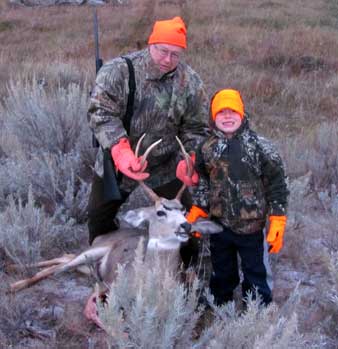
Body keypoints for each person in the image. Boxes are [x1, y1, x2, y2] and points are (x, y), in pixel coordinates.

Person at [87, 16, 209, 265]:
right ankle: (104, 283)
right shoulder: (119, 71)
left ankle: (186, 280)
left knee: (188, 230)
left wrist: (190, 160)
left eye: (175, 54)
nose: (168, 59)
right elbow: (100, 111)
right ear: (151, 44)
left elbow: (197, 127)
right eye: (163, 51)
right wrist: (120, 150)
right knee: (99, 223)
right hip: (120, 164)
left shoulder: (190, 82)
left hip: (166, 166)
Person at [186, 89, 289, 306]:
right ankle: (219, 307)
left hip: (251, 228)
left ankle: (256, 313)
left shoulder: (261, 147)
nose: (227, 116)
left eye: (232, 111)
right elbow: (204, 182)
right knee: (222, 273)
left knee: (255, 274)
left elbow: (278, 184)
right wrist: (199, 210)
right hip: (218, 227)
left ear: (242, 114)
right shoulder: (205, 148)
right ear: (213, 117)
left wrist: (277, 219)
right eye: (221, 112)